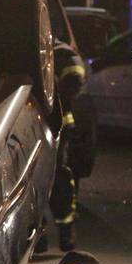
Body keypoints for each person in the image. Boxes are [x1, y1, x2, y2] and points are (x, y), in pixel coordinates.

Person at [39, 44, 89, 252]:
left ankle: (66, 232)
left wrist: (55, 92)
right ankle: (37, 238)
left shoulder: (60, 54)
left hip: (56, 130)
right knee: (31, 184)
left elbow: (75, 78)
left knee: (59, 179)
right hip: (27, 126)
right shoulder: (16, 48)